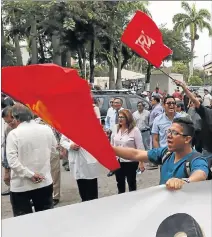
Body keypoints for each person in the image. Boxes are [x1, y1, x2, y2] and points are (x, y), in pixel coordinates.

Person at [113, 117, 209, 190]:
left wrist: (184, 181)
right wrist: (109, 149)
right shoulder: (166, 153)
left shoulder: (196, 159)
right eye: (169, 131)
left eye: (175, 133)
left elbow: (201, 174)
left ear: (187, 139)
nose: (169, 136)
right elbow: (136, 154)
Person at [6, 103, 57, 217]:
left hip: (21, 186)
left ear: (15, 118)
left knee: (24, 221)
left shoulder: (14, 134)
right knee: (46, 218)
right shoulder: (46, 129)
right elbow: (55, 151)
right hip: (44, 181)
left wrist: (30, 174)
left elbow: (12, 162)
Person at [175, 80, 212, 159]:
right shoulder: (207, 112)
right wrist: (184, 87)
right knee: (202, 170)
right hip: (208, 151)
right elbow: (194, 100)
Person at [111, 109, 145, 194]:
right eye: (119, 117)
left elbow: (140, 147)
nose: (120, 119)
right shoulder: (115, 128)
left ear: (128, 118)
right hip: (118, 161)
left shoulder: (135, 130)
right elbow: (112, 145)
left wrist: (141, 162)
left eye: (122, 117)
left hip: (130, 161)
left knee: (131, 183)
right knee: (120, 184)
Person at [60, 135, 100, 202]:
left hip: (89, 160)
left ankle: (94, 208)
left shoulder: (91, 126)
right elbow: (62, 141)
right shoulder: (69, 127)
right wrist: (70, 145)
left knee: (92, 191)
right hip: (76, 161)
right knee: (82, 189)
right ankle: (84, 204)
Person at [105, 97, 124, 177]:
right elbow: (107, 121)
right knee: (112, 151)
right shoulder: (110, 110)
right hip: (113, 133)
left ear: (121, 104)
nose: (114, 104)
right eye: (113, 102)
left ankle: (122, 167)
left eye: (116, 102)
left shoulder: (124, 111)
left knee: (121, 150)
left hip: (122, 133)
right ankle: (113, 168)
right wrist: (108, 128)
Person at [1, 106, 15, 196]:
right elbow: (6, 149)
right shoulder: (8, 129)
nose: (9, 124)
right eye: (6, 122)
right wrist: (6, 171)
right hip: (13, 161)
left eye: (10, 122)